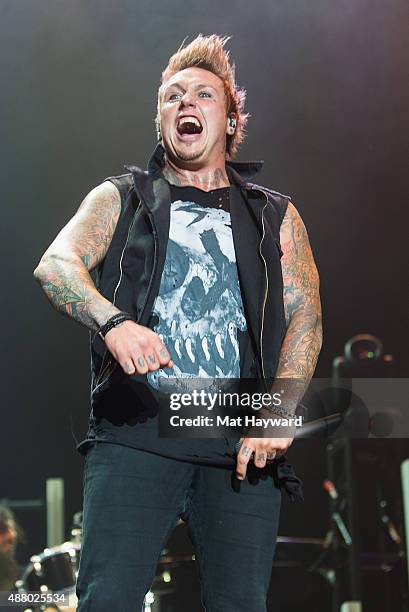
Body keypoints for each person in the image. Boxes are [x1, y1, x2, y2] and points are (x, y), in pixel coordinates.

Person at [34, 34, 322, 612]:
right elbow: (56, 263)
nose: (184, 103)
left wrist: (281, 410)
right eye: (171, 96)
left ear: (231, 118)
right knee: (107, 600)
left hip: (238, 434)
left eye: (202, 95)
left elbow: (304, 313)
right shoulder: (121, 198)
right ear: (161, 116)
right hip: (139, 429)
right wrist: (113, 321)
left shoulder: (274, 215)